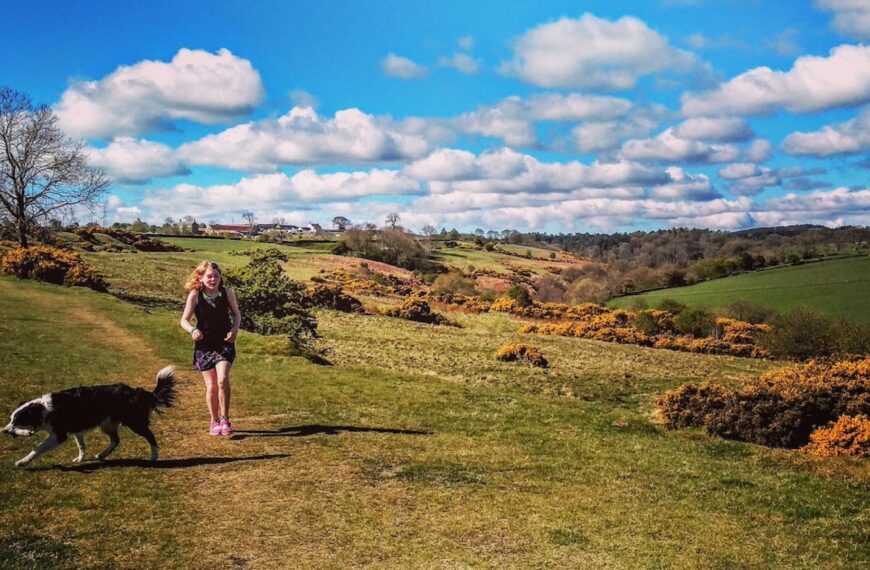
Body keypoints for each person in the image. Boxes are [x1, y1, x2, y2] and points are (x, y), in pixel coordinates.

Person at [180, 260, 241, 436]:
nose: (213, 279)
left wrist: (235, 329)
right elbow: (184, 320)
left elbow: (236, 315)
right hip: (204, 345)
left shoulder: (227, 293)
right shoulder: (195, 295)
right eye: (209, 276)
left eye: (216, 276)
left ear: (220, 276)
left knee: (222, 379)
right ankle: (214, 421)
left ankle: (225, 418)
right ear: (200, 277)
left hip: (224, 343)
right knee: (212, 386)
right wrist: (193, 330)